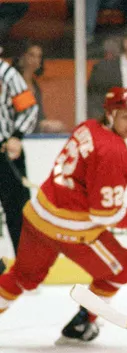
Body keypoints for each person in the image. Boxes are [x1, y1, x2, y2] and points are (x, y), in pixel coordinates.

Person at [0, 88, 127, 343]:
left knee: (21, 277)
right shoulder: (113, 150)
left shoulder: (87, 127)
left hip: (38, 217)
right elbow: (104, 214)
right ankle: (81, 326)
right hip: (71, 230)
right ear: (111, 114)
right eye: (126, 117)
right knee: (122, 266)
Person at [0, 53, 38, 277]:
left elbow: (29, 108)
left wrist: (16, 135)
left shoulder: (6, 74)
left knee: (18, 212)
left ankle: (28, 269)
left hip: (5, 153)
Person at [13, 42, 65, 134]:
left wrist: (46, 124)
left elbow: (39, 115)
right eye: (31, 55)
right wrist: (41, 124)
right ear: (22, 57)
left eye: (39, 56)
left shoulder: (36, 87)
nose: (35, 60)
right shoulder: (14, 83)